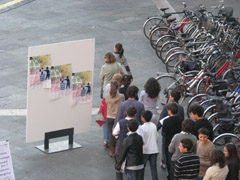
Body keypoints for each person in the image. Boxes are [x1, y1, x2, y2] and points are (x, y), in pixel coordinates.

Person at [157, 89, 184, 169]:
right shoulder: (181, 108)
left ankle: (164, 162)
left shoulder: (167, 106)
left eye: (170, 95)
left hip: (168, 131)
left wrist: (157, 128)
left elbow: (161, 118)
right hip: (178, 130)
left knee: (165, 146)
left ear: (172, 98)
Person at [161, 102, 182, 180]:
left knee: (169, 160)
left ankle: (170, 175)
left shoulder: (166, 121)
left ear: (169, 111)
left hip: (168, 143)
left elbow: (163, 133)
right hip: (179, 143)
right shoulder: (180, 120)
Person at [105, 80, 125, 157]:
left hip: (109, 116)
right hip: (118, 117)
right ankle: (117, 150)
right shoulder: (121, 96)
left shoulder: (107, 96)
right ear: (117, 87)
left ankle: (112, 151)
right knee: (118, 134)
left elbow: (106, 102)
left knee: (111, 134)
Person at [141, 110, 159, 180]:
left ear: (143, 118)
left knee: (142, 168)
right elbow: (157, 136)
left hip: (145, 150)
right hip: (154, 150)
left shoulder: (142, 128)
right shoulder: (154, 125)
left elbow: (141, 140)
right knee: (154, 168)